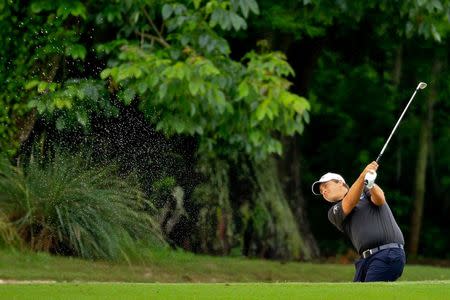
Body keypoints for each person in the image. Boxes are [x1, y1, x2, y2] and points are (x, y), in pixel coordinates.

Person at [311, 161, 406, 282]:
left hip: (388, 253)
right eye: (321, 191)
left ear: (340, 182)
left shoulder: (366, 189)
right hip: (366, 259)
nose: (323, 191)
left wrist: (370, 183)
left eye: (325, 186)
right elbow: (350, 202)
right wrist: (363, 176)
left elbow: (380, 199)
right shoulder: (333, 212)